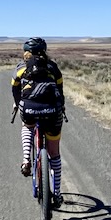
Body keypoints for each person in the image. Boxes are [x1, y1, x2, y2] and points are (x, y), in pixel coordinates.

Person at [11, 37, 66, 206]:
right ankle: (56, 193)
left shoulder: (21, 68)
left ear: (25, 52)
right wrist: (61, 107)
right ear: (45, 51)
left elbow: (15, 89)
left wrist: (17, 103)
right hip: (52, 112)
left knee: (27, 126)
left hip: (29, 109)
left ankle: (26, 159)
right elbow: (60, 91)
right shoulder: (53, 68)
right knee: (54, 154)